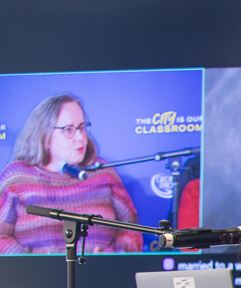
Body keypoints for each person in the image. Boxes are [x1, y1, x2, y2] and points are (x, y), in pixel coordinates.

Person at [0, 94, 144, 254]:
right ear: (45, 137)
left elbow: (132, 228)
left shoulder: (102, 172)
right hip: (34, 277)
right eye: (68, 130)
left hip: (101, 275)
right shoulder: (17, 178)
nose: (80, 137)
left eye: (82, 128)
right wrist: (32, 262)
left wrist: (114, 254)